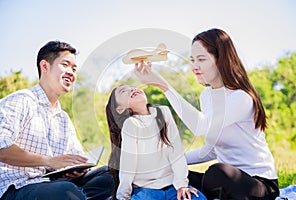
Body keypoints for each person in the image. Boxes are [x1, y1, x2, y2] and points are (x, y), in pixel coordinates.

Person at [134, 28, 279, 200]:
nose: (194, 66)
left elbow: (200, 127)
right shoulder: (207, 96)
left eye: (201, 59)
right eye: (192, 60)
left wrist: (165, 87)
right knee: (170, 175)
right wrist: (169, 161)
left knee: (216, 173)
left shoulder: (241, 98)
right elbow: (209, 151)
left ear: (221, 60)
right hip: (223, 181)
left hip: (258, 184)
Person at [0, 41, 113, 200]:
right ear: (45, 66)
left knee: (112, 174)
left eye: (74, 69)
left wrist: (77, 168)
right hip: (18, 186)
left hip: (54, 183)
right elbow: (2, 149)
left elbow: (73, 158)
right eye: (65, 65)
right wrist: (49, 161)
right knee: (66, 191)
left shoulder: (63, 118)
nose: (71, 73)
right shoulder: (21, 100)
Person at [105, 84, 207, 200]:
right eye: (123, 91)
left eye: (133, 87)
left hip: (172, 186)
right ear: (120, 109)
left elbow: (176, 152)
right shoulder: (131, 124)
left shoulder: (164, 112)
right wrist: (123, 196)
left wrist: (181, 185)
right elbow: (128, 164)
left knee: (196, 197)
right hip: (146, 190)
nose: (132, 89)